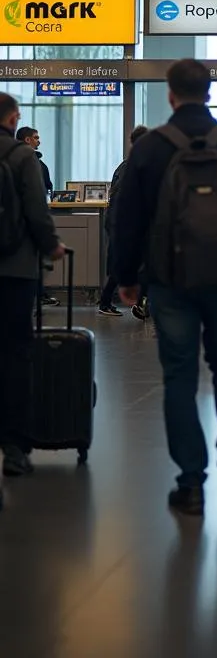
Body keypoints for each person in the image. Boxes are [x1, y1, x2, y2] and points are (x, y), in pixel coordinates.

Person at [114, 60, 217, 517]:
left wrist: (127, 276)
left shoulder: (150, 148)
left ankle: (191, 482)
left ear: (170, 94)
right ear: (209, 92)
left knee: (179, 375)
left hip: (169, 278)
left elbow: (127, 219)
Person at [0, 94, 65, 479]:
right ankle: (14, 446)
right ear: (13, 119)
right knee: (15, 352)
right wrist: (51, 247)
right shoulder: (23, 157)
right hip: (15, 268)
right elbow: (37, 211)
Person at [97, 124, 149, 317]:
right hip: (122, 223)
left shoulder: (127, 164)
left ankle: (140, 303)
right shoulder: (132, 166)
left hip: (119, 221)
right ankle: (107, 301)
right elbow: (122, 197)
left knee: (132, 262)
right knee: (126, 263)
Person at [16, 126, 58, 307]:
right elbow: (40, 194)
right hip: (26, 223)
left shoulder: (37, 163)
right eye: (35, 137)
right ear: (27, 140)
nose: (38, 141)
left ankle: (38, 294)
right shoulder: (31, 163)